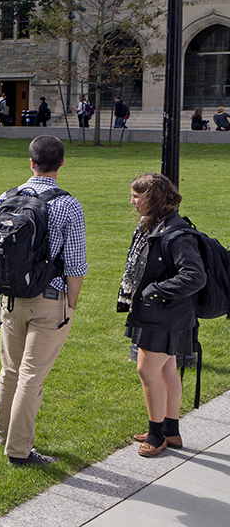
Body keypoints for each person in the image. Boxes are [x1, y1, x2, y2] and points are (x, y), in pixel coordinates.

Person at [0, 136, 87, 466]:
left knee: (10, 371)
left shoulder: (4, 198)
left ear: (30, 162)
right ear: (61, 163)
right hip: (49, 299)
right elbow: (76, 264)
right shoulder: (69, 205)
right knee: (31, 377)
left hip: (10, 297)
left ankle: (3, 432)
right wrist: (70, 305)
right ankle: (18, 450)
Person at [120, 173, 206, 458]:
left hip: (163, 313)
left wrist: (156, 291)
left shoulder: (175, 233)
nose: (132, 202)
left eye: (137, 196)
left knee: (147, 370)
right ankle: (171, 430)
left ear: (153, 198)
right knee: (167, 369)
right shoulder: (157, 225)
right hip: (169, 312)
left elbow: (194, 276)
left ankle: (157, 435)